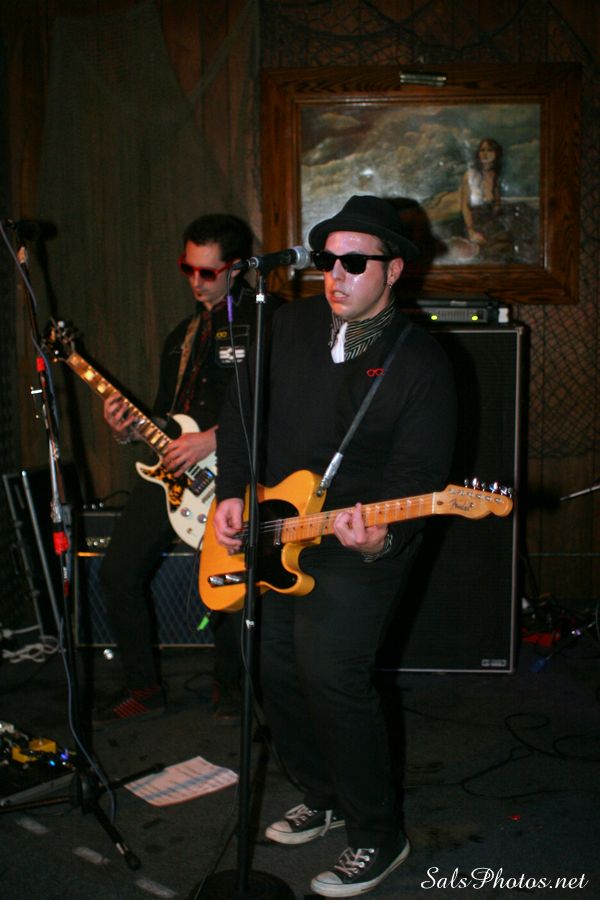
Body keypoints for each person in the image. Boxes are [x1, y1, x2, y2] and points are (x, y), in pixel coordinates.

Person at [212, 195, 457, 897]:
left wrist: (383, 536)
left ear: (394, 270)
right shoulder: (284, 325)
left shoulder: (420, 361)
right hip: (274, 531)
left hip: (357, 545)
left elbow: (419, 476)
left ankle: (378, 834)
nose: (337, 275)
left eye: (355, 262)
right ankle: (321, 795)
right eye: (327, 260)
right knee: (270, 665)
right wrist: (233, 490)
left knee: (331, 675)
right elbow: (239, 416)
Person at [95, 213, 274, 725]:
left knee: (229, 582)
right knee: (117, 571)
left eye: (207, 272)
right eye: (187, 268)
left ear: (235, 268)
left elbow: (277, 401)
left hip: (233, 468)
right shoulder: (182, 334)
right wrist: (129, 429)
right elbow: (164, 414)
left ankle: (231, 685)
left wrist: (213, 438)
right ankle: (143, 687)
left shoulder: (266, 321)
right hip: (173, 471)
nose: (195, 281)